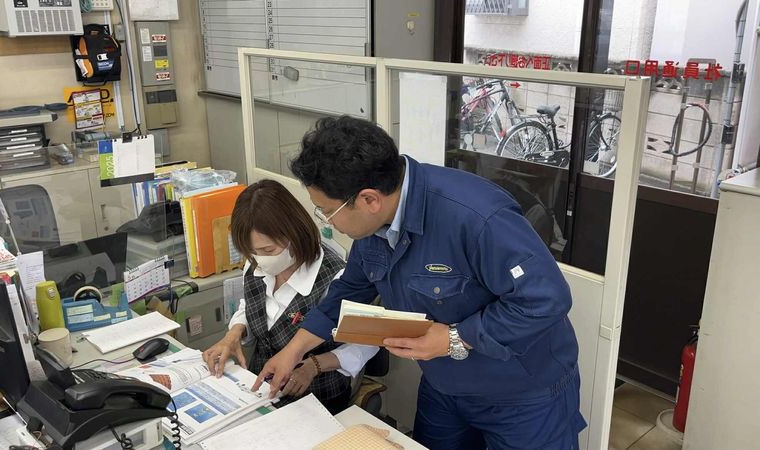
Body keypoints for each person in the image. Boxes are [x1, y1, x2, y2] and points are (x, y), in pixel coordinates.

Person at [252, 117, 587, 449]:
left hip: (523, 392)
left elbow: (546, 300)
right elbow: (349, 292)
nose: (327, 221)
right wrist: (293, 350)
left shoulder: (477, 216)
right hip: (444, 386)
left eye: (327, 211)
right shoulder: (373, 226)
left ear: (369, 200)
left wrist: (456, 337)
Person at [202, 179, 378, 414]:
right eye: (252, 252)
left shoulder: (337, 278)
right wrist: (234, 333)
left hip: (317, 398)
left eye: (268, 250)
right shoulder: (256, 263)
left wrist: (313, 366)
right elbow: (251, 305)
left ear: (294, 234)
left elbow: (366, 346)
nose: (260, 259)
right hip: (260, 390)